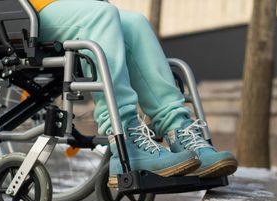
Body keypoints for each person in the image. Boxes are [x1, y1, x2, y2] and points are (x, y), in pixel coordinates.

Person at [29, 0, 238, 184]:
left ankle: (179, 131)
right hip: (29, 8)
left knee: (136, 23)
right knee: (101, 15)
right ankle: (127, 139)